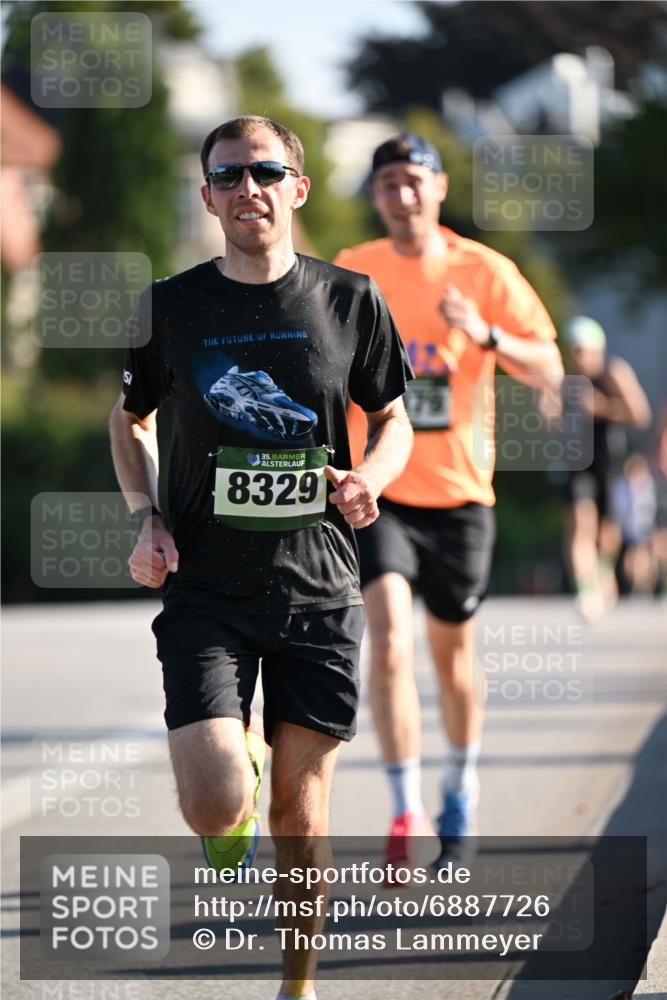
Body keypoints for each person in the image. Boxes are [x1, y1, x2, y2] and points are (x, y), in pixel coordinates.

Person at [109, 115, 413, 1000]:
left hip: (319, 589)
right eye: (229, 177)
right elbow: (129, 418)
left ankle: (297, 982)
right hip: (208, 588)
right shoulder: (171, 306)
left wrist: (373, 480)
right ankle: (232, 761)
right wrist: (146, 518)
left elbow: (391, 415)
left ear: (298, 189)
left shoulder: (350, 299)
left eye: (267, 172)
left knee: (299, 813)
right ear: (207, 196)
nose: (249, 189)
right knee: (215, 806)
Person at [334, 133, 563, 871]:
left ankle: (458, 790)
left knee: (452, 656)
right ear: (374, 197)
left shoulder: (483, 270)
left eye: (412, 181)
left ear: (437, 189)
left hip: (461, 493)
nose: (401, 196)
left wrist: (486, 333)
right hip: (380, 488)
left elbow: (549, 368)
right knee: (391, 642)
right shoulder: (353, 270)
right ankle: (404, 807)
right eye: (387, 184)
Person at [562, 316, 652, 620]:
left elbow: (640, 414)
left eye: (584, 350)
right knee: (579, 520)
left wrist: (600, 406)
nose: (580, 358)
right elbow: (550, 420)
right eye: (574, 351)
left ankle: (603, 575)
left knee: (607, 533)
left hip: (609, 462)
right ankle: (585, 591)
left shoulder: (614, 373)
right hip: (578, 462)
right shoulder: (567, 381)